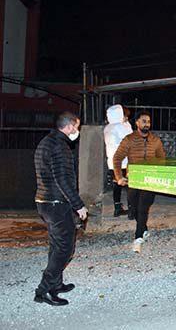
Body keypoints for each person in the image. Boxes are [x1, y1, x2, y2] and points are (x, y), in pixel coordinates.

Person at [34, 111, 88, 306]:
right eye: (77, 126)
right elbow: (63, 180)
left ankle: (56, 284)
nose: (78, 130)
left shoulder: (46, 142)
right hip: (56, 204)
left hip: (44, 202)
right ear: (70, 126)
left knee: (56, 245)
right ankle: (43, 290)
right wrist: (78, 205)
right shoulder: (60, 147)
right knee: (65, 248)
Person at [113, 110, 166, 253]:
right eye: (144, 121)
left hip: (149, 180)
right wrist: (119, 177)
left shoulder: (155, 141)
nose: (147, 124)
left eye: (148, 121)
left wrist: (159, 176)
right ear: (136, 123)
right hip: (133, 180)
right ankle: (144, 228)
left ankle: (137, 238)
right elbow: (117, 158)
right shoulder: (129, 139)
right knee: (135, 208)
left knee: (143, 207)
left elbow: (162, 160)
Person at [103, 104, 133, 217]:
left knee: (117, 186)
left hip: (112, 163)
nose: (126, 118)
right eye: (125, 116)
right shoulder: (121, 127)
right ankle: (132, 210)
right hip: (124, 162)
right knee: (130, 185)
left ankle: (117, 208)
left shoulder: (108, 127)